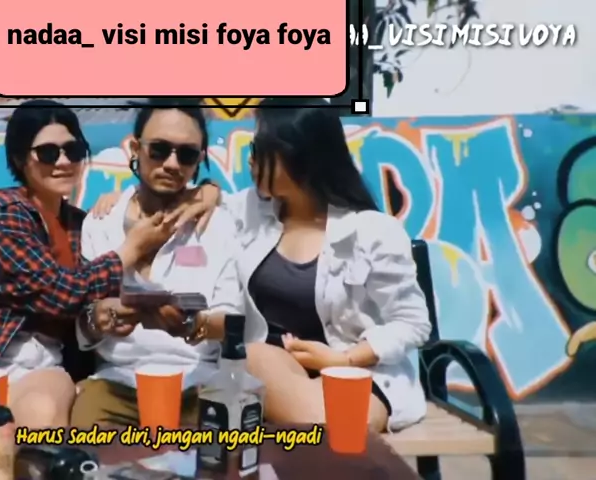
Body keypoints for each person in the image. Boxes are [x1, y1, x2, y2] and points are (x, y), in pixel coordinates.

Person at [91, 98, 432, 432]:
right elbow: (205, 197)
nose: (249, 160)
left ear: (296, 156)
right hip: (272, 371)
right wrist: (202, 191)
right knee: (256, 360)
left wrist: (343, 359)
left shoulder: (371, 231)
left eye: (258, 150)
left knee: (344, 425)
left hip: (355, 370)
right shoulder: (250, 212)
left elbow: (413, 322)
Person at [0, 100, 180, 439]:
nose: (64, 162)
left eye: (73, 150)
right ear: (21, 159)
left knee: (41, 417)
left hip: (43, 370)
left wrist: (124, 200)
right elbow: (64, 293)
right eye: (48, 153)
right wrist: (130, 250)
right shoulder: (5, 218)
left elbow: (103, 283)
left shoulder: (79, 224)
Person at [69, 100, 256, 428]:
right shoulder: (101, 222)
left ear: (199, 160)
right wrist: (100, 318)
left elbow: (233, 321)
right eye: (159, 149)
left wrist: (192, 324)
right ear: (136, 149)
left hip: (198, 383)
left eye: (186, 154)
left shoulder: (218, 224)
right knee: (90, 448)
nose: (171, 164)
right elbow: (82, 327)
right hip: (116, 383)